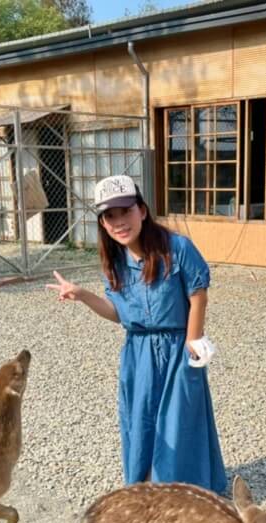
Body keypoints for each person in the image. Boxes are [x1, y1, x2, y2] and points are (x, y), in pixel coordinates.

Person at [46, 175, 227, 494]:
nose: (119, 222)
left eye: (125, 212)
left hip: (177, 345)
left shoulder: (177, 248)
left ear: (142, 211)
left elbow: (198, 292)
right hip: (138, 351)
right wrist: (83, 295)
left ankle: (181, 487)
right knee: (140, 417)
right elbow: (119, 314)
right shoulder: (113, 262)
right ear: (103, 223)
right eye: (109, 216)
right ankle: (145, 481)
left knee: (179, 417)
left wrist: (193, 340)